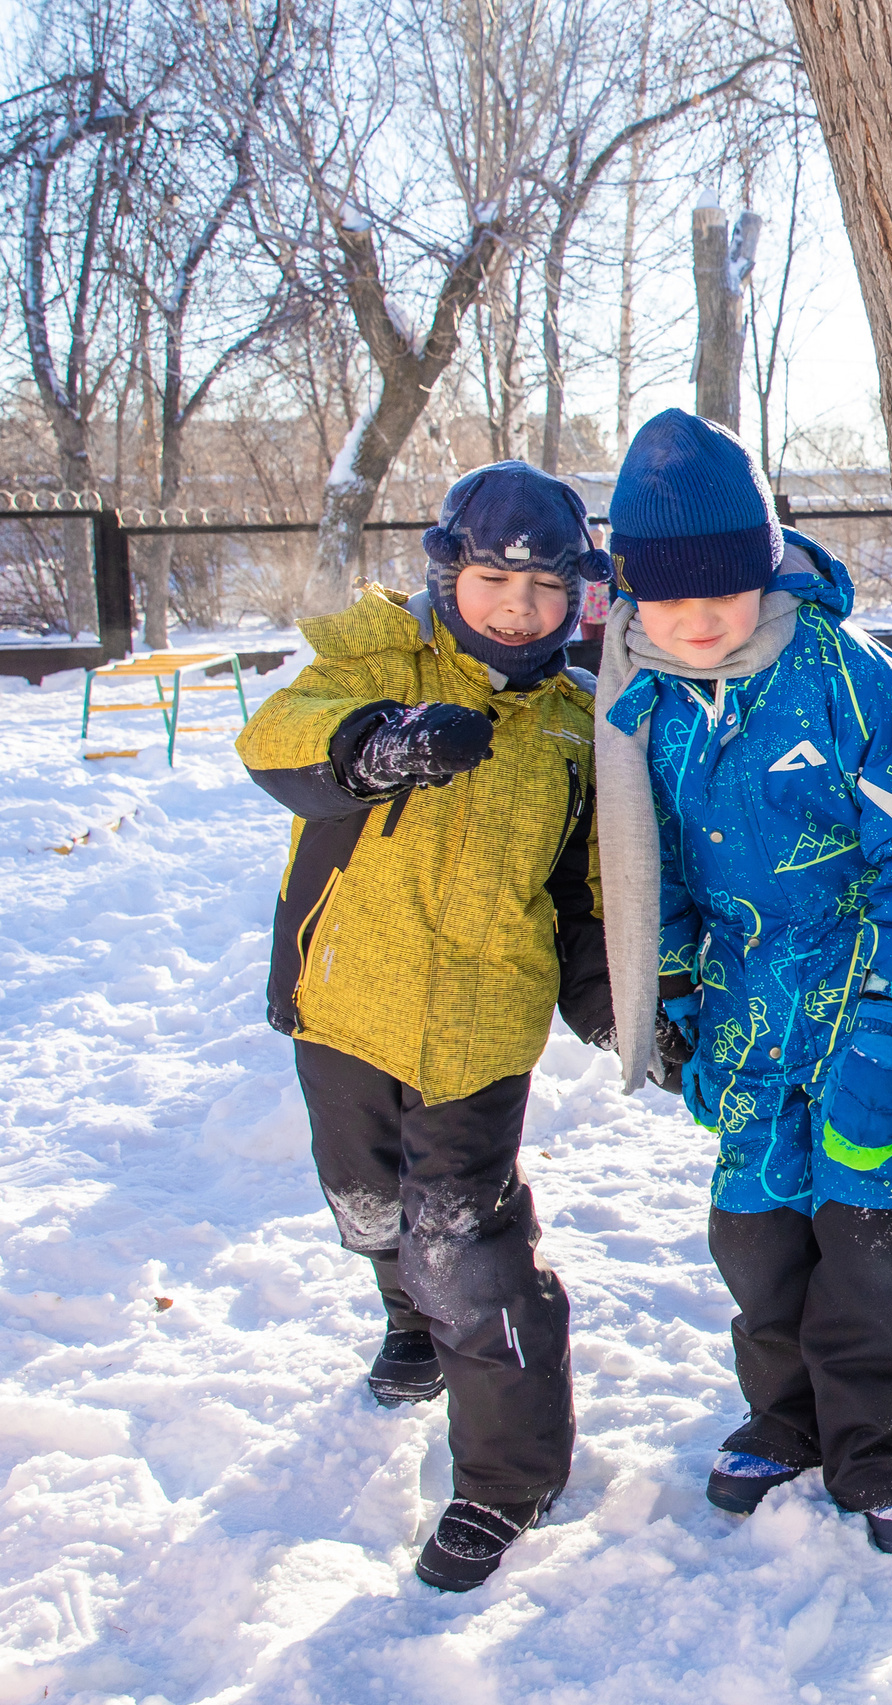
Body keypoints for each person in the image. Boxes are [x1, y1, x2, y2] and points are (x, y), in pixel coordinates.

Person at [592, 409, 892, 1556]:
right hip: (745, 1023)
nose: (700, 618)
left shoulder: (847, 679)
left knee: (872, 1232)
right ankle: (788, 1416)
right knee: (756, 1238)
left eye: (723, 586)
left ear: (764, 568)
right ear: (629, 595)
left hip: (868, 1014)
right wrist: (659, 993)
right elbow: (643, 864)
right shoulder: (639, 703)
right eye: (669, 596)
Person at [238, 460, 613, 1592]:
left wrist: (605, 999)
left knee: (469, 1245)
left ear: (577, 601)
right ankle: (406, 1320)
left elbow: (586, 887)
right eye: (496, 577)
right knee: (364, 1203)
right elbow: (276, 738)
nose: (519, 605)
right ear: (449, 571)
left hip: (479, 1033)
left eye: (546, 589)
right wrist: (381, 743)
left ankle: (508, 1478)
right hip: (346, 1000)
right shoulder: (379, 660)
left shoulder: (575, 723)